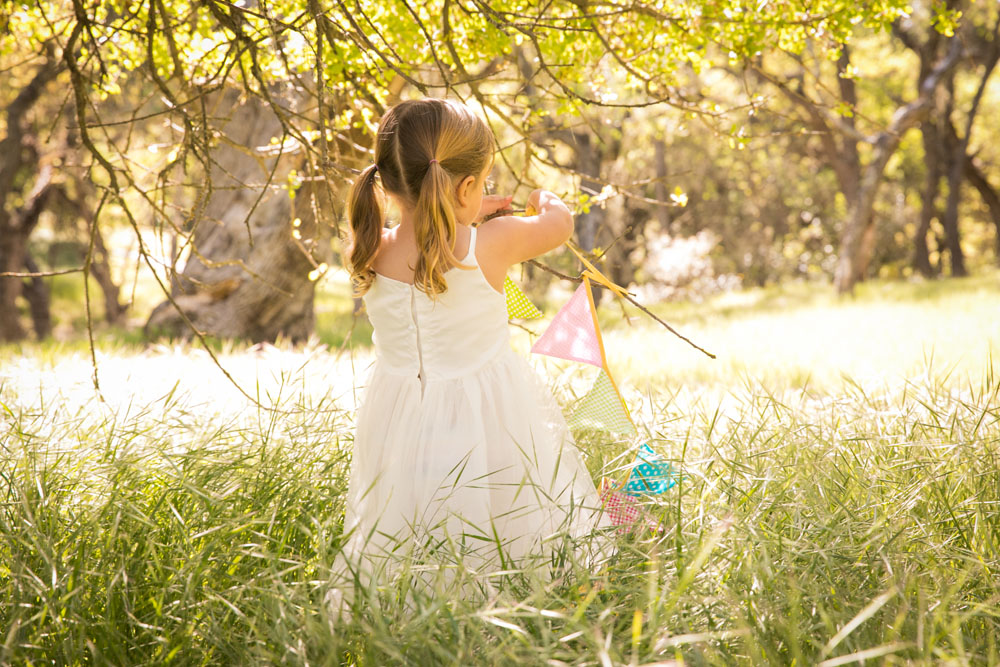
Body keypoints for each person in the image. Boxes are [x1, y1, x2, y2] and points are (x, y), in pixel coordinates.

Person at [330, 98, 608, 614]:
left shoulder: (371, 247)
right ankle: (503, 605)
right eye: (481, 181)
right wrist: (544, 197)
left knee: (405, 509)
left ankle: (407, 605)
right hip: (487, 410)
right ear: (464, 188)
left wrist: (461, 207)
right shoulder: (492, 243)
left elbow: (429, 226)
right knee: (503, 502)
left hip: (398, 411)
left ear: (388, 185)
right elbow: (557, 224)